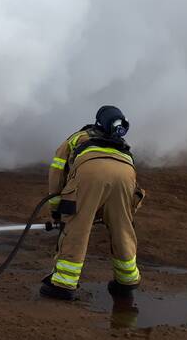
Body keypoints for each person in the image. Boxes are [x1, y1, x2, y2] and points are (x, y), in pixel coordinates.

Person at [42, 105, 145, 301]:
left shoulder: (78, 138)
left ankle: (63, 284)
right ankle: (127, 281)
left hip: (89, 172)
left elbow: (57, 169)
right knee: (122, 229)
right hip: (125, 174)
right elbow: (127, 187)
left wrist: (58, 209)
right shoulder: (122, 145)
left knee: (77, 228)